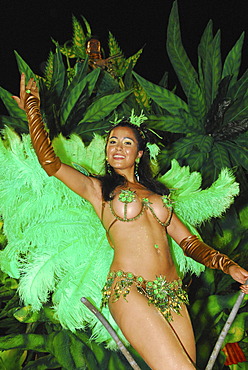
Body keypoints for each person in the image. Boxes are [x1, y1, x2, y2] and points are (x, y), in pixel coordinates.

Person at [12, 74, 248, 370]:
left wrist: (228, 266)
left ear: (139, 153)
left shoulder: (159, 195)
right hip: (129, 289)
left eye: (127, 142)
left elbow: (188, 243)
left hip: (171, 292)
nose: (117, 147)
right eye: (112, 142)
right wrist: (32, 108)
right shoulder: (98, 190)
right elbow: (50, 163)